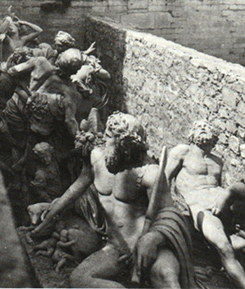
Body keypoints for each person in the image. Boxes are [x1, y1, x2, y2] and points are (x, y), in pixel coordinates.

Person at [31, 112, 197, 289]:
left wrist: (151, 239)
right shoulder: (98, 159)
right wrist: (51, 214)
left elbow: (169, 214)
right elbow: (77, 187)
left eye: (109, 138)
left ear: (124, 145)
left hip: (146, 249)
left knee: (165, 275)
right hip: (115, 248)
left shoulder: (149, 173)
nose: (103, 140)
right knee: (79, 279)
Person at [165, 120, 245, 289]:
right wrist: (169, 210)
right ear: (192, 134)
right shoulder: (183, 151)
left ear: (214, 139)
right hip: (199, 206)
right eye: (200, 127)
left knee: (240, 188)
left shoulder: (218, 161)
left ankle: (243, 229)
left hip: (219, 200)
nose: (204, 129)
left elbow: (216, 184)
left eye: (207, 128)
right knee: (224, 247)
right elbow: (164, 180)